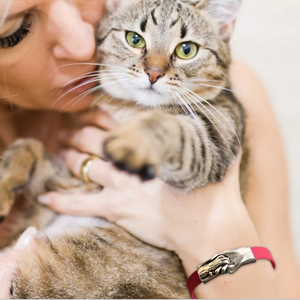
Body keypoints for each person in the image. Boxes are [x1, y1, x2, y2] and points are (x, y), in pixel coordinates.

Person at [0, 0, 299, 298]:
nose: (154, 71)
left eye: (185, 50)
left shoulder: (227, 104)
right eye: (16, 29)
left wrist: (216, 237)